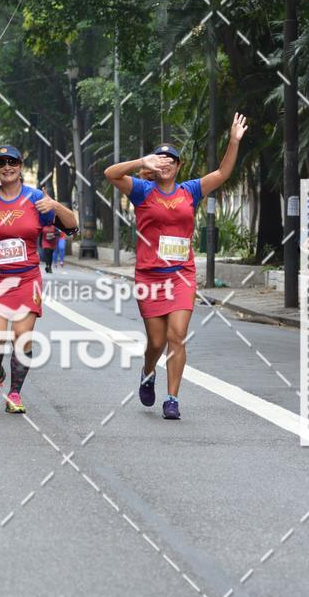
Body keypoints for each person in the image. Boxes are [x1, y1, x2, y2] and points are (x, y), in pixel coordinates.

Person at [104, 113, 248, 420]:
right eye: (160, 159)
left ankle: (172, 399)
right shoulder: (142, 190)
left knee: (177, 335)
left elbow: (223, 172)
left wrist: (233, 141)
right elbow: (110, 173)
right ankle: (147, 371)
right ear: (153, 166)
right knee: (156, 341)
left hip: (182, 274)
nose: (165, 162)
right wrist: (140, 161)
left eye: (171, 159)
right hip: (150, 277)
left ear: (179, 166)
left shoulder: (191, 191)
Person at [0, 144, 78, 413]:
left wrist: (54, 205)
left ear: (20, 166)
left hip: (27, 278)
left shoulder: (36, 198)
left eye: (12, 162)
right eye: (1, 163)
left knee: (22, 337)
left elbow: (73, 226)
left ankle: (15, 394)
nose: (7, 167)